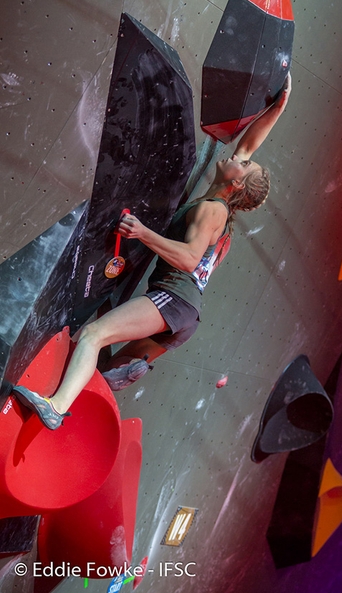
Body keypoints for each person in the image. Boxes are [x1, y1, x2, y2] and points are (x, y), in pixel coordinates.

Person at [13, 74, 292, 429]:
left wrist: (144, 233)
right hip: (183, 313)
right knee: (99, 355)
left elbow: (189, 259)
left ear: (236, 182)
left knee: (93, 335)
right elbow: (249, 146)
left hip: (173, 300)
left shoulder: (213, 211)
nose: (239, 155)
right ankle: (117, 373)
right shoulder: (223, 202)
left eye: (244, 163)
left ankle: (56, 408)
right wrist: (278, 108)